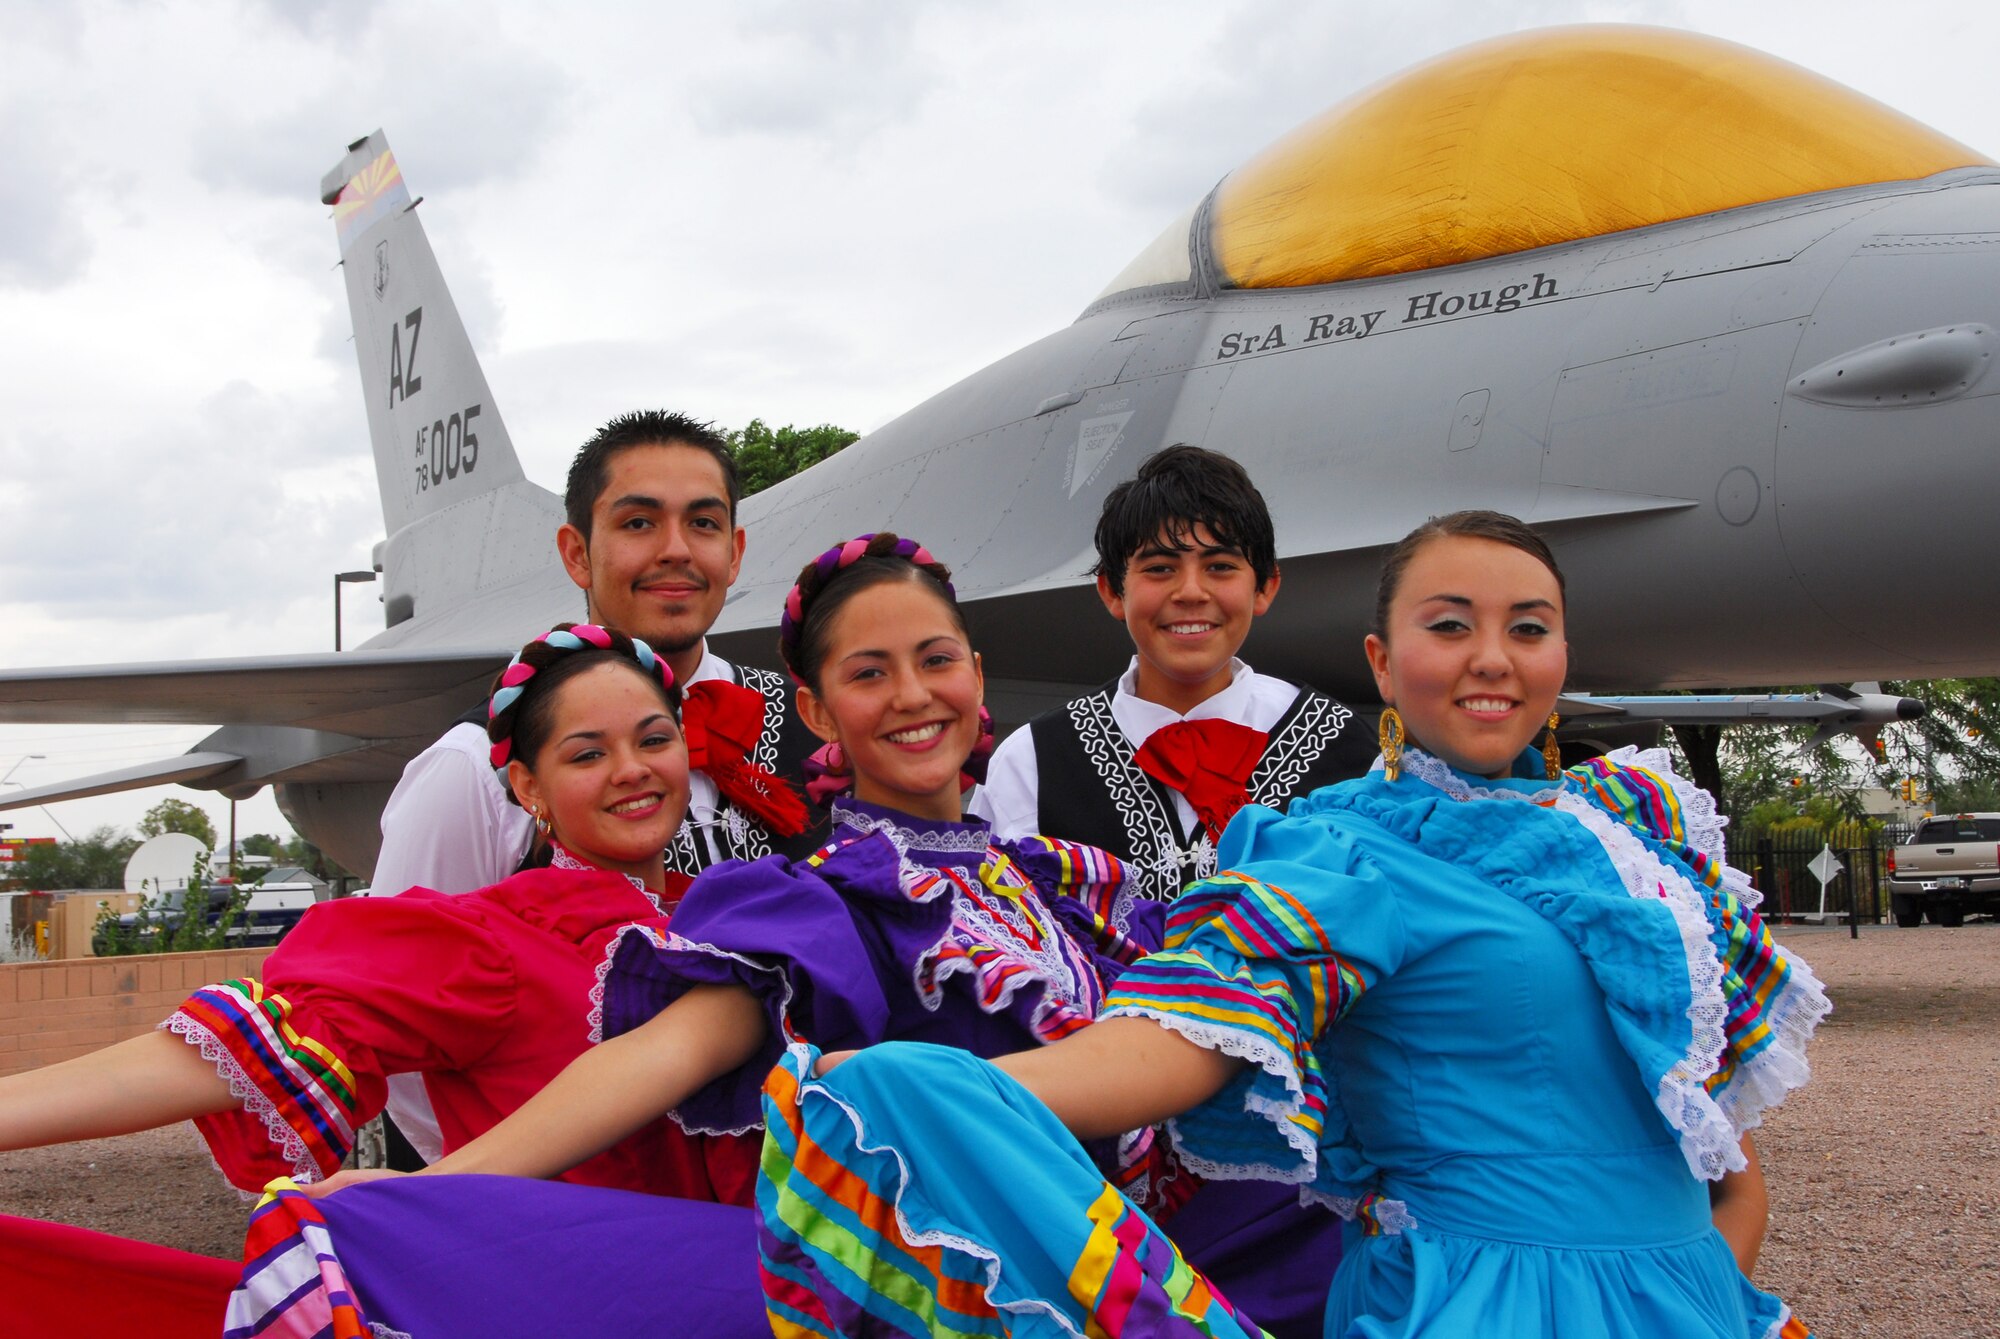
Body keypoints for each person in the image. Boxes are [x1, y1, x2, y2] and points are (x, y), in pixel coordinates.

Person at [219, 534, 1323, 1339]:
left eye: (934, 659)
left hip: (1177, 1260)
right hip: (966, 1297)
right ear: (813, 704)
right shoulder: (811, 898)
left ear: (975, 675)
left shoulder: (1090, 885)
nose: (911, 696)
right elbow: (658, 1056)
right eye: (866, 672)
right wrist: (438, 1185)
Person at [759, 510, 1828, 1339]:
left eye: (1527, 627)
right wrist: (933, 1099)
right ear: (1379, 663)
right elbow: (1183, 1036)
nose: (1491, 657)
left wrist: (1695, 1274)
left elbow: (1720, 1161)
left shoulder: (1628, 831)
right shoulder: (1347, 851)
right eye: (1448, 624)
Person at [0, 623, 766, 1337]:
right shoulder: (492, 940)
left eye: (653, 739)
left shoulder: (723, 927)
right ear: (530, 790)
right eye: (587, 753)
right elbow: (224, 1052)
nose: (631, 769)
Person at [372, 409, 821, 1162]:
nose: (676, 551)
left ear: (736, 552)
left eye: (703, 523)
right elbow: (403, 1029)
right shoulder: (474, 770)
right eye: (639, 522)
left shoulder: (809, 735)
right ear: (577, 553)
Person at [976, 444, 1377, 910]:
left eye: (1220, 566)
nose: (1190, 592)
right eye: (1160, 568)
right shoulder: (1032, 761)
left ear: (1265, 586)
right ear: (1111, 590)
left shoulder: (1343, 746)